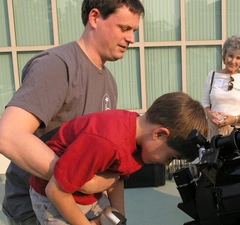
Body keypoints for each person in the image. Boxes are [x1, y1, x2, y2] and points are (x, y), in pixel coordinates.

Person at [0, 0, 145, 224]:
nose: (131, 38)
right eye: (124, 28)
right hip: (38, 210)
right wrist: (80, 180)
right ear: (95, 18)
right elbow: (8, 135)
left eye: (134, 30)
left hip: (81, 208)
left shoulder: (109, 83)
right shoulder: (57, 66)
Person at [29, 92, 208, 225]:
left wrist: (119, 218)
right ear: (159, 134)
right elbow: (56, 191)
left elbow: (117, 179)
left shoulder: (139, 143)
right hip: (54, 197)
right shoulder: (107, 141)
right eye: (170, 157)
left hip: (89, 195)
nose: (166, 163)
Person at [201, 35, 240, 140]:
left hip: (238, 134)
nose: (233, 61)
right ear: (224, 55)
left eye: (238, 58)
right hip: (215, 133)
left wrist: (234, 119)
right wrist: (210, 115)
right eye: (230, 56)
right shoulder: (212, 75)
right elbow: (205, 103)